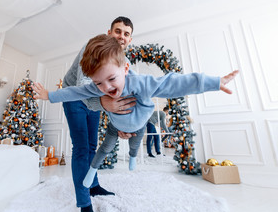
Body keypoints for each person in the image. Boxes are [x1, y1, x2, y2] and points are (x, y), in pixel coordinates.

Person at [32, 33, 239, 190]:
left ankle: (131, 158)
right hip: (115, 125)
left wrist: (213, 82)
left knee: (135, 144)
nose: (106, 88)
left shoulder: (140, 82)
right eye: (99, 83)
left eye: (112, 79)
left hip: (138, 124)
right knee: (101, 149)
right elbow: (72, 92)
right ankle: (91, 177)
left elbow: (172, 83)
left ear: (125, 68)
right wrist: (49, 95)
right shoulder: (95, 87)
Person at [39, 17, 135, 212]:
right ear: (109, 32)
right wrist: (104, 103)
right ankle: (85, 208)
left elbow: (117, 95)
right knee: (82, 149)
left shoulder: (124, 61)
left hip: (95, 103)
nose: (121, 36)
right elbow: (83, 86)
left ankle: (93, 185)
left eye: (126, 33)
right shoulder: (93, 47)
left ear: (130, 39)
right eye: (117, 31)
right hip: (74, 97)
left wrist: (122, 125)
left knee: (93, 145)